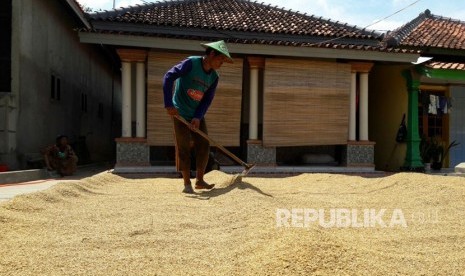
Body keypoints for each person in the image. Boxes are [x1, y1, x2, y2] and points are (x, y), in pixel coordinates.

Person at [163, 40, 233, 194]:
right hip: (179, 112)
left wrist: (198, 116)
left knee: (204, 144)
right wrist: (169, 104)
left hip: (195, 113)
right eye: (221, 59)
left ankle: (200, 180)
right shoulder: (191, 63)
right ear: (212, 54)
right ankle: (187, 183)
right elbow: (168, 77)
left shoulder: (214, 77)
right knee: (184, 147)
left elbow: (207, 100)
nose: (222, 63)